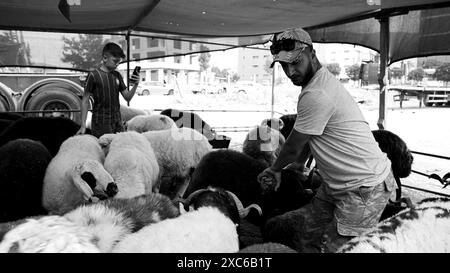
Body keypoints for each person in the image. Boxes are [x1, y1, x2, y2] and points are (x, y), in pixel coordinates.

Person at [257, 28, 396, 253]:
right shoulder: (317, 84)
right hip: (339, 185)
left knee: (338, 249)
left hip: (363, 187)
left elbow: (292, 147)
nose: (291, 71)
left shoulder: (316, 93)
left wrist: (274, 169)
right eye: (284, 66)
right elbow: (309, 136)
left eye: (296, 62)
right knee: (308, 237)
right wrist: (299, 165)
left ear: (312, 53)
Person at [77, 42, 140, 137]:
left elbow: (127, 97)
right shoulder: (93, 75)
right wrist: (83, 125)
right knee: (104, 149)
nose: (117, 64)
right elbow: (85, 100)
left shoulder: (117, 75)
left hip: (118, 121)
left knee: (120, 147)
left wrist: (136, 84)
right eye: (115, 61)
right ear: (105, 58)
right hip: (101, 123)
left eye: (119, 62)